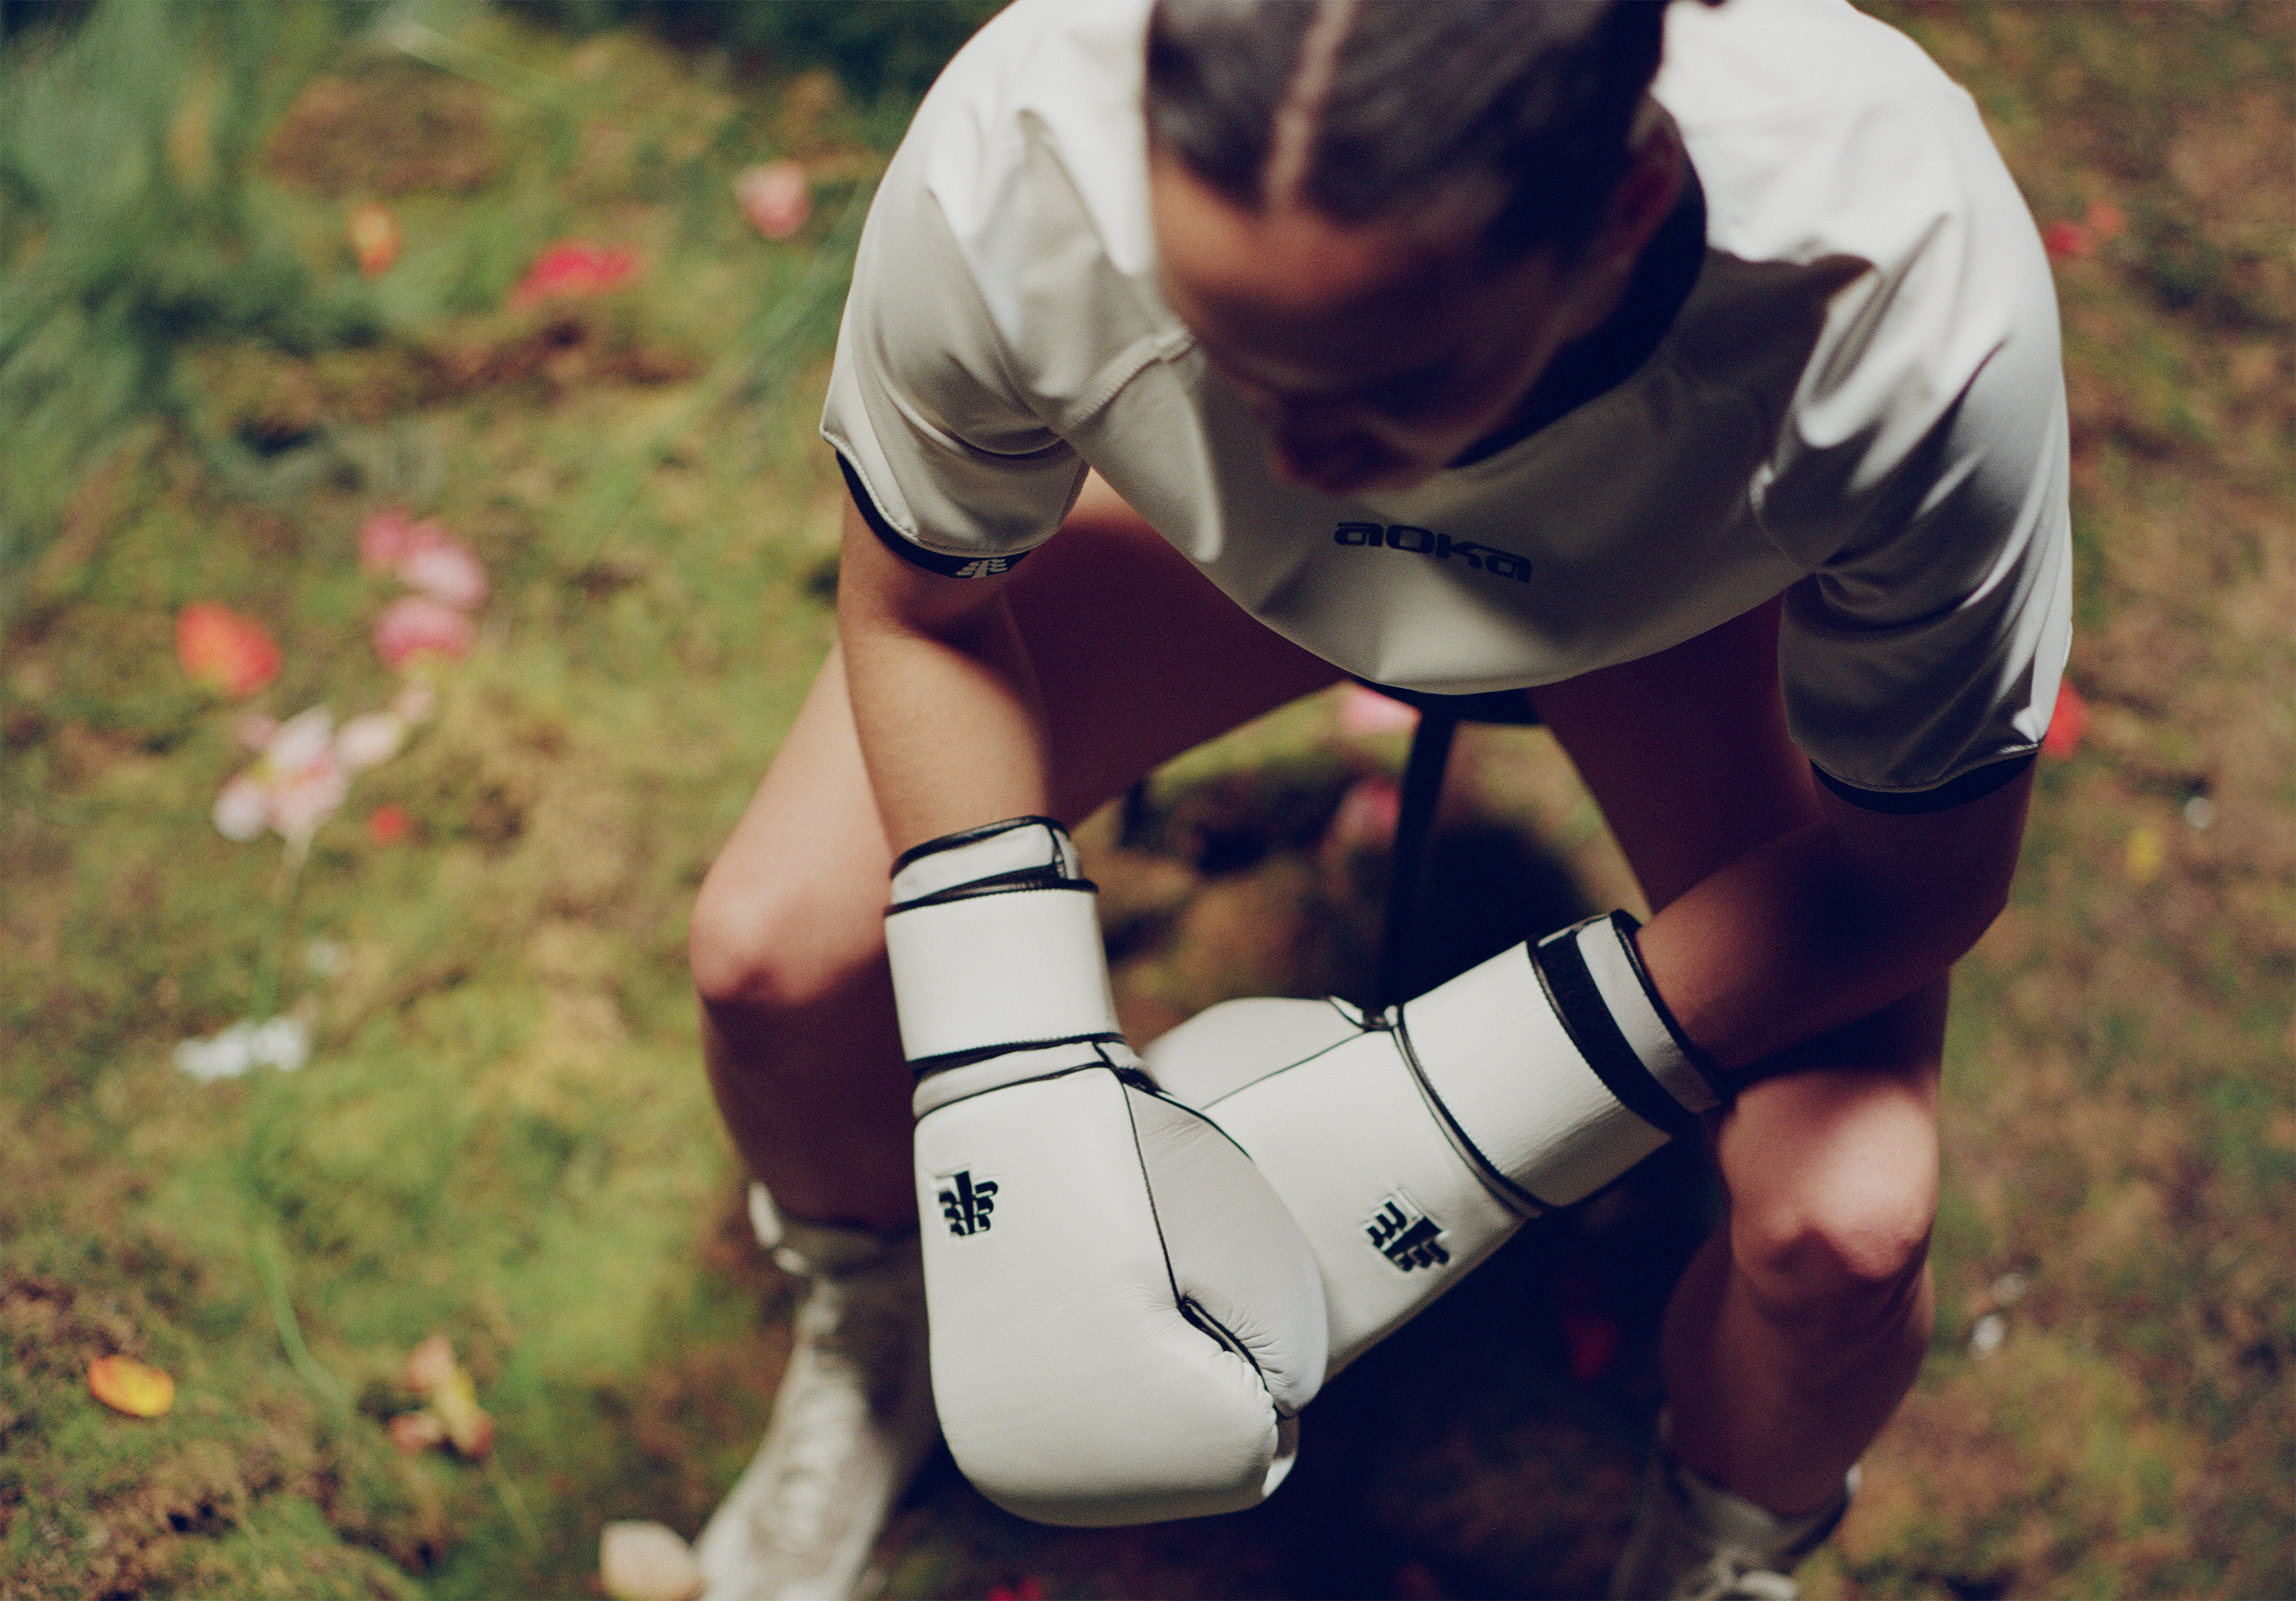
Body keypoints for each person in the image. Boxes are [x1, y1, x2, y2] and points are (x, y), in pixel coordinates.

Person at [687, 0, 2071, 1592]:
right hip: (1201, 562)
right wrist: (1010, 1068)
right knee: (770, 954)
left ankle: (1719, 1545)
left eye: (1383, 373)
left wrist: (1446, 1118)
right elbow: (922, 610)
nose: (1290, 436)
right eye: (1209, 327)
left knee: (1846, 1228)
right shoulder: (1024, 147)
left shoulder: (1895, 297)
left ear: (1621, 209)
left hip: (1670, 617)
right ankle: (877, 1332)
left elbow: (1917, 877)